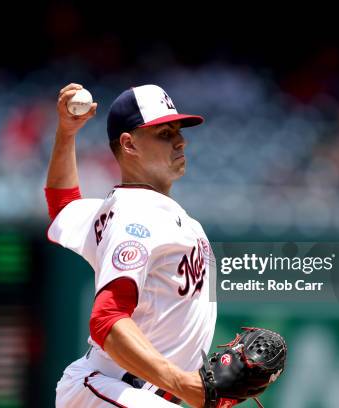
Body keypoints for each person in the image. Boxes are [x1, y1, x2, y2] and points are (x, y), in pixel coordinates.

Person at [47, 83, 216, 408]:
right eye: (165, 134)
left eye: (178, 130)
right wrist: (183, 383)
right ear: (129, 144)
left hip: (131, 394)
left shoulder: (130, 210)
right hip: (109, 389)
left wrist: (66, 134)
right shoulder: (134, 216)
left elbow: (63, 206)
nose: (180, 140)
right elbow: (106, 320)